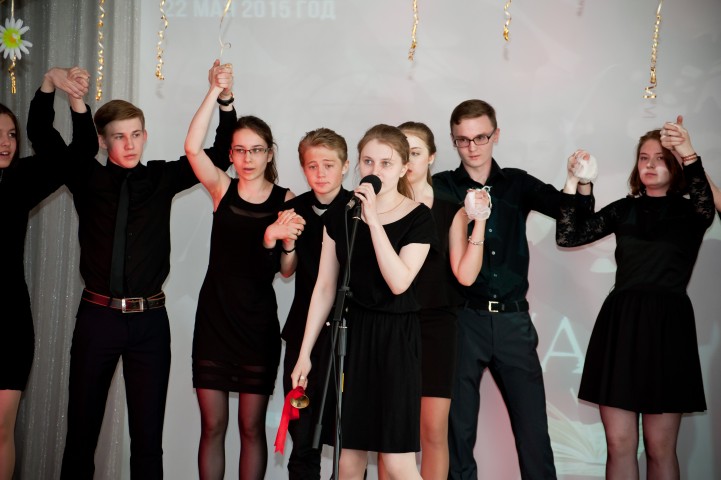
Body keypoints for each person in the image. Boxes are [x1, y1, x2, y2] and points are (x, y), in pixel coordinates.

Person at [24, 61, 237, 480]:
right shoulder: (85, 175)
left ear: (145, 135)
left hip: (150, 324)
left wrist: (223, 98)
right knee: (81, 435)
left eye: (136, 134)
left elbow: (218, 153)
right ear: (102, 141)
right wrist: (49, 84)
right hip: (97, 318)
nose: (130, 144)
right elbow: (42, 135)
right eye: (119, 136)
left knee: (148, 440)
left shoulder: (162, 177)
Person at [432, 99, 594, 480]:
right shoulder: (440, 186)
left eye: (481, 137)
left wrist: (582, 181)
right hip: (462, 321)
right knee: (457, 433)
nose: (472, 147)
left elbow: (572, 214)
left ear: (496, 135)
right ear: (453, 141)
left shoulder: (517, 183)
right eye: (463, 139)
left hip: (513, 321)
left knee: (533, 431)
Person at [557, 121, 714, 479]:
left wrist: (688, 152)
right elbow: (569, 235)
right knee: (619, 444)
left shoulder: (693, 213)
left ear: (675, 166)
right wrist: (576, 183)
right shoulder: (623, 209)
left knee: (660, 448)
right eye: (644, 157)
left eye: (660, 158)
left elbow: (705, 199)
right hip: (621, 326)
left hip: (668, 329)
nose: (650, 164)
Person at [291, 124, 435, 480]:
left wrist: (373, 222)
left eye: (386, 163)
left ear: (403, 168)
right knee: (348, 459)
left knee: (398, 462)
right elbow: (326, 287)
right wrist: (305, 353)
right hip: (350, 335)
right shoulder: (341, 215)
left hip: (395, 338)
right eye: (368, 161)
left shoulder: (419, 217)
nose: (375, 170)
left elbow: (399, 282)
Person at [185, 68, 304, 480]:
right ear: (231, 155)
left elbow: (287, 269)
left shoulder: (287, 199)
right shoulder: (222, 187)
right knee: (212, 426)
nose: (247, 159)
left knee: (251, 428)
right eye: (239, 150)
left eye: (256, 150)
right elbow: (192, 147)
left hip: (256, 326)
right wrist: (215, 91)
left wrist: (283, 241)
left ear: (270, 153)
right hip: (214, 320)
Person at [375, 121, 487, 480]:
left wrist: (479, 222)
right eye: (402, 153)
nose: (409, 161)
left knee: (433, 430)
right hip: (391, 323)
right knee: (392, 433)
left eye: (416, 152)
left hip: (437, 325)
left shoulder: (450, 209)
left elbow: (465, 275)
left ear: (432, 157)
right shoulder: (380, 208)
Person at [0, 67, 94, 480]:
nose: (6, 143)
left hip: (9, 323)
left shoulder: (19, 181)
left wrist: (51, 86)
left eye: (11, 134)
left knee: (1, 429)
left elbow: (82, 151)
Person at [280, 127, 351, 479]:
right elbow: (286, 270)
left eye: (329, 165)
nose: (320, 173)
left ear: (345, 166)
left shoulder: (357, 209)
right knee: (303, 435)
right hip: (302, 333)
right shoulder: (292, 209)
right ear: (303, 168)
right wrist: (287, 242)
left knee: (348, 444)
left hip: (348, 333)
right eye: (312, 166)